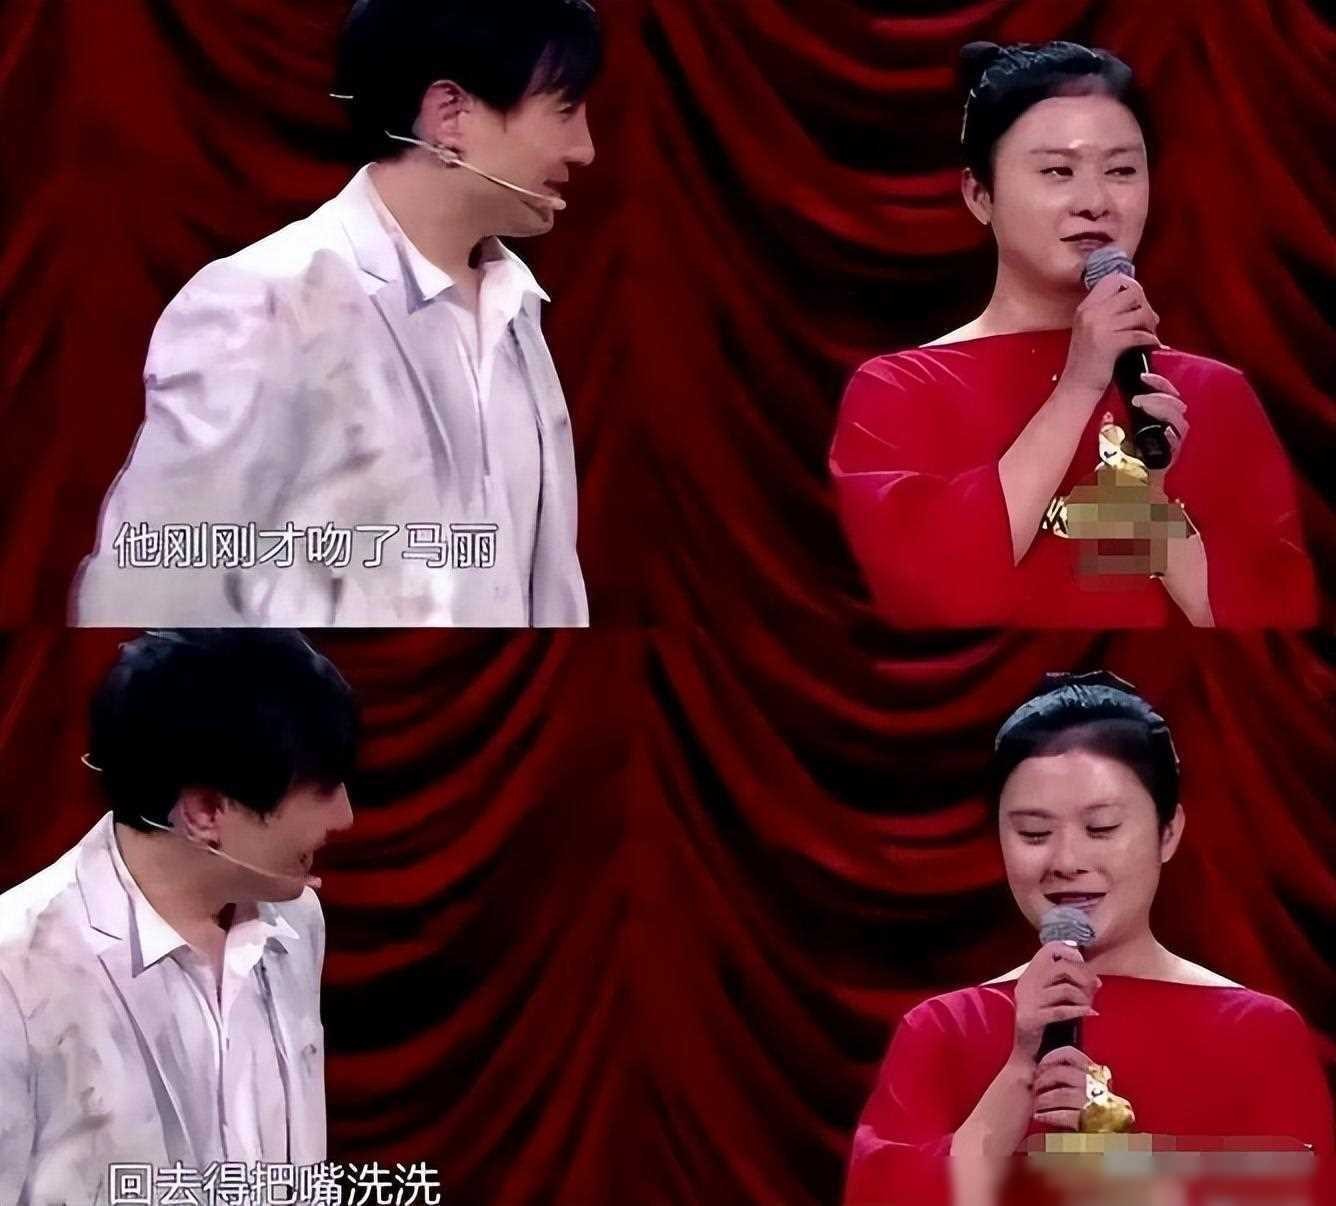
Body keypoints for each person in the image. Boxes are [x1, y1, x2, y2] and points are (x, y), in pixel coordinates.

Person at [73, 0, 601, 627]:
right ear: (450, 115)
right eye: (564, 110)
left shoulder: (516, 309)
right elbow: (149, 581)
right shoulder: (267, 301)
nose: (585, 149)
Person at [829, 41, 1316, 628]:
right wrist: (1078, 387)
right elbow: (934, 599)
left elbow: (1270, 635)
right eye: (1058, 171)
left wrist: (1152, 508)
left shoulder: (1212, 396)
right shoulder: (899, 391)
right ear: (979, 194)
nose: (1095, 203)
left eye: (1122, 170)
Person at [845, 672, 1333, 1205]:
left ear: (1168, 833)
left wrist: (1117, 1160)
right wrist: (1018, 1074)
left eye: (1101, 829)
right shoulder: (943, 1030)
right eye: (1033, 833)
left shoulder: (1258, 1035)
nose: (1067, 861)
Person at [0, 630, 358, 1204]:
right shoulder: (16, 969)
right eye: (321, 789)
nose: (344, 817)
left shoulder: (296, 922)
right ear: (205, 811)